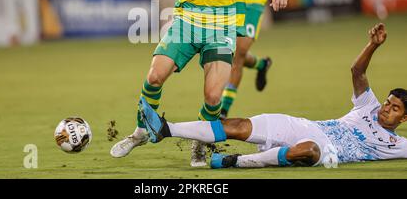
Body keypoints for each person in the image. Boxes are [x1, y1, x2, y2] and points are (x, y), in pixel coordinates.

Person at [95, 0, 294, 166]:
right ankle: (141, 131)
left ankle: (199, 142)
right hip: (186, 24)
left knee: (213, 97)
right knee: (154, 77)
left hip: (222, 27)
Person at [140, 23, 407, 168]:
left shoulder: (398, 145)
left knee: (310, 151)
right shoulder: (367, 107)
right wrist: (372, 45)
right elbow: (357, 71)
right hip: (307, 126)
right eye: (387, 102)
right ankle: (165, 128)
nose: (385, 108)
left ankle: (238, 161)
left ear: (404, 118)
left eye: (394, 109)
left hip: (329, 151)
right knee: (238, 125)